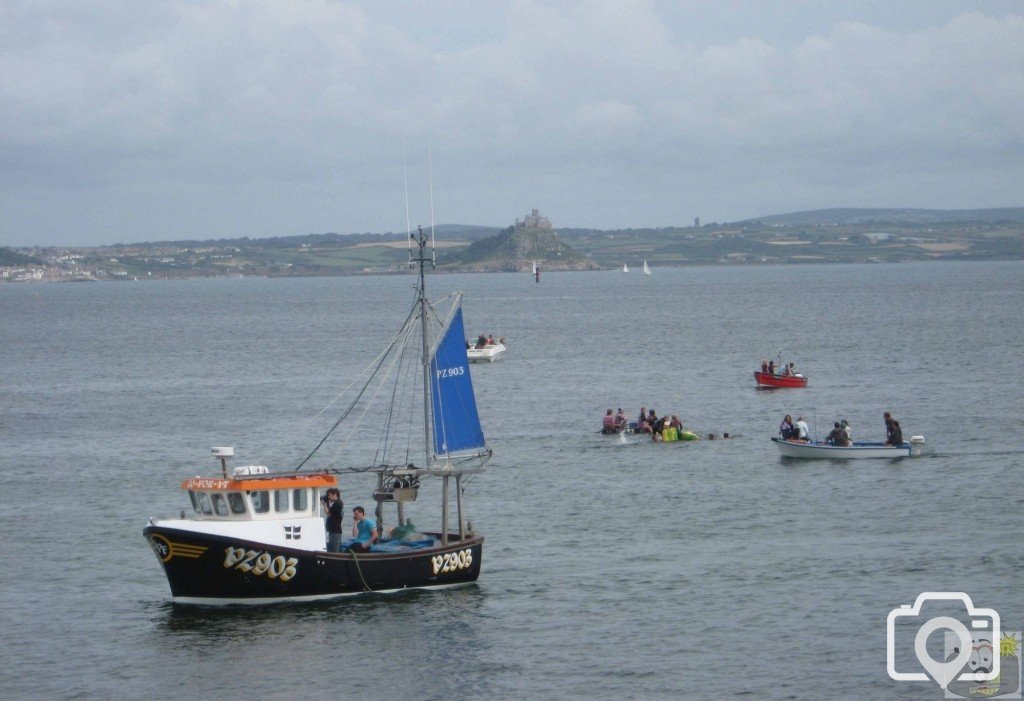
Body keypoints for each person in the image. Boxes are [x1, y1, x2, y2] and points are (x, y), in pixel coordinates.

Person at [321, 488, 343, 552]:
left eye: (329, 495)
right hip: (333, 531)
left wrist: (325, 503)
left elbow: (329, 513)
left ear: (335, 495)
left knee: (335, 550)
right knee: (332, 548)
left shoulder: (338, 503)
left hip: (335, 531)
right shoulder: (336, 503)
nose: (328, 497)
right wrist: (326, 503)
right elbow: (331, 512)